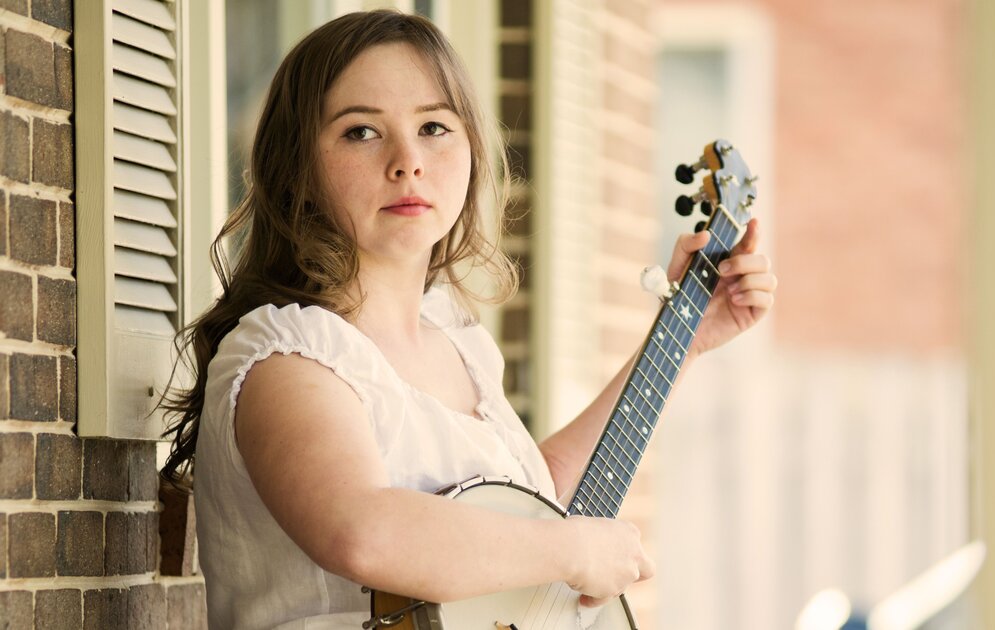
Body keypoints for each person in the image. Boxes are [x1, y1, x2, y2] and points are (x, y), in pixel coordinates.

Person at [160, 9, 777, 630]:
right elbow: (363, 533)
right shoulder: (288, 356)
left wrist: (681, 344)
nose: (408, 161)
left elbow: (526, 515)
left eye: (433, 126)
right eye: (361, 133)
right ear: (298, 169)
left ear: (472, 152)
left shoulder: (457, 343)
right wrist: (576, 549)